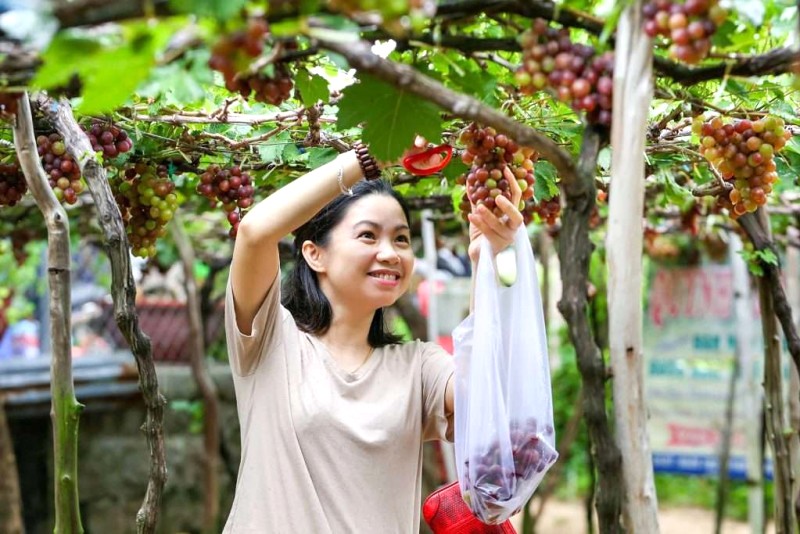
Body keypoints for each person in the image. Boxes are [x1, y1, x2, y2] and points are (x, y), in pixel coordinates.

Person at [224, 145, 523, 532]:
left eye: (401, 239)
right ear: (315, 254)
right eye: (368, 235)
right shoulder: (269, 342)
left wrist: (485, 259)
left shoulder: (419, 367)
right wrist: (368, 159)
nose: (390, 253)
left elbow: (487, 402)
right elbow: (253, 231)